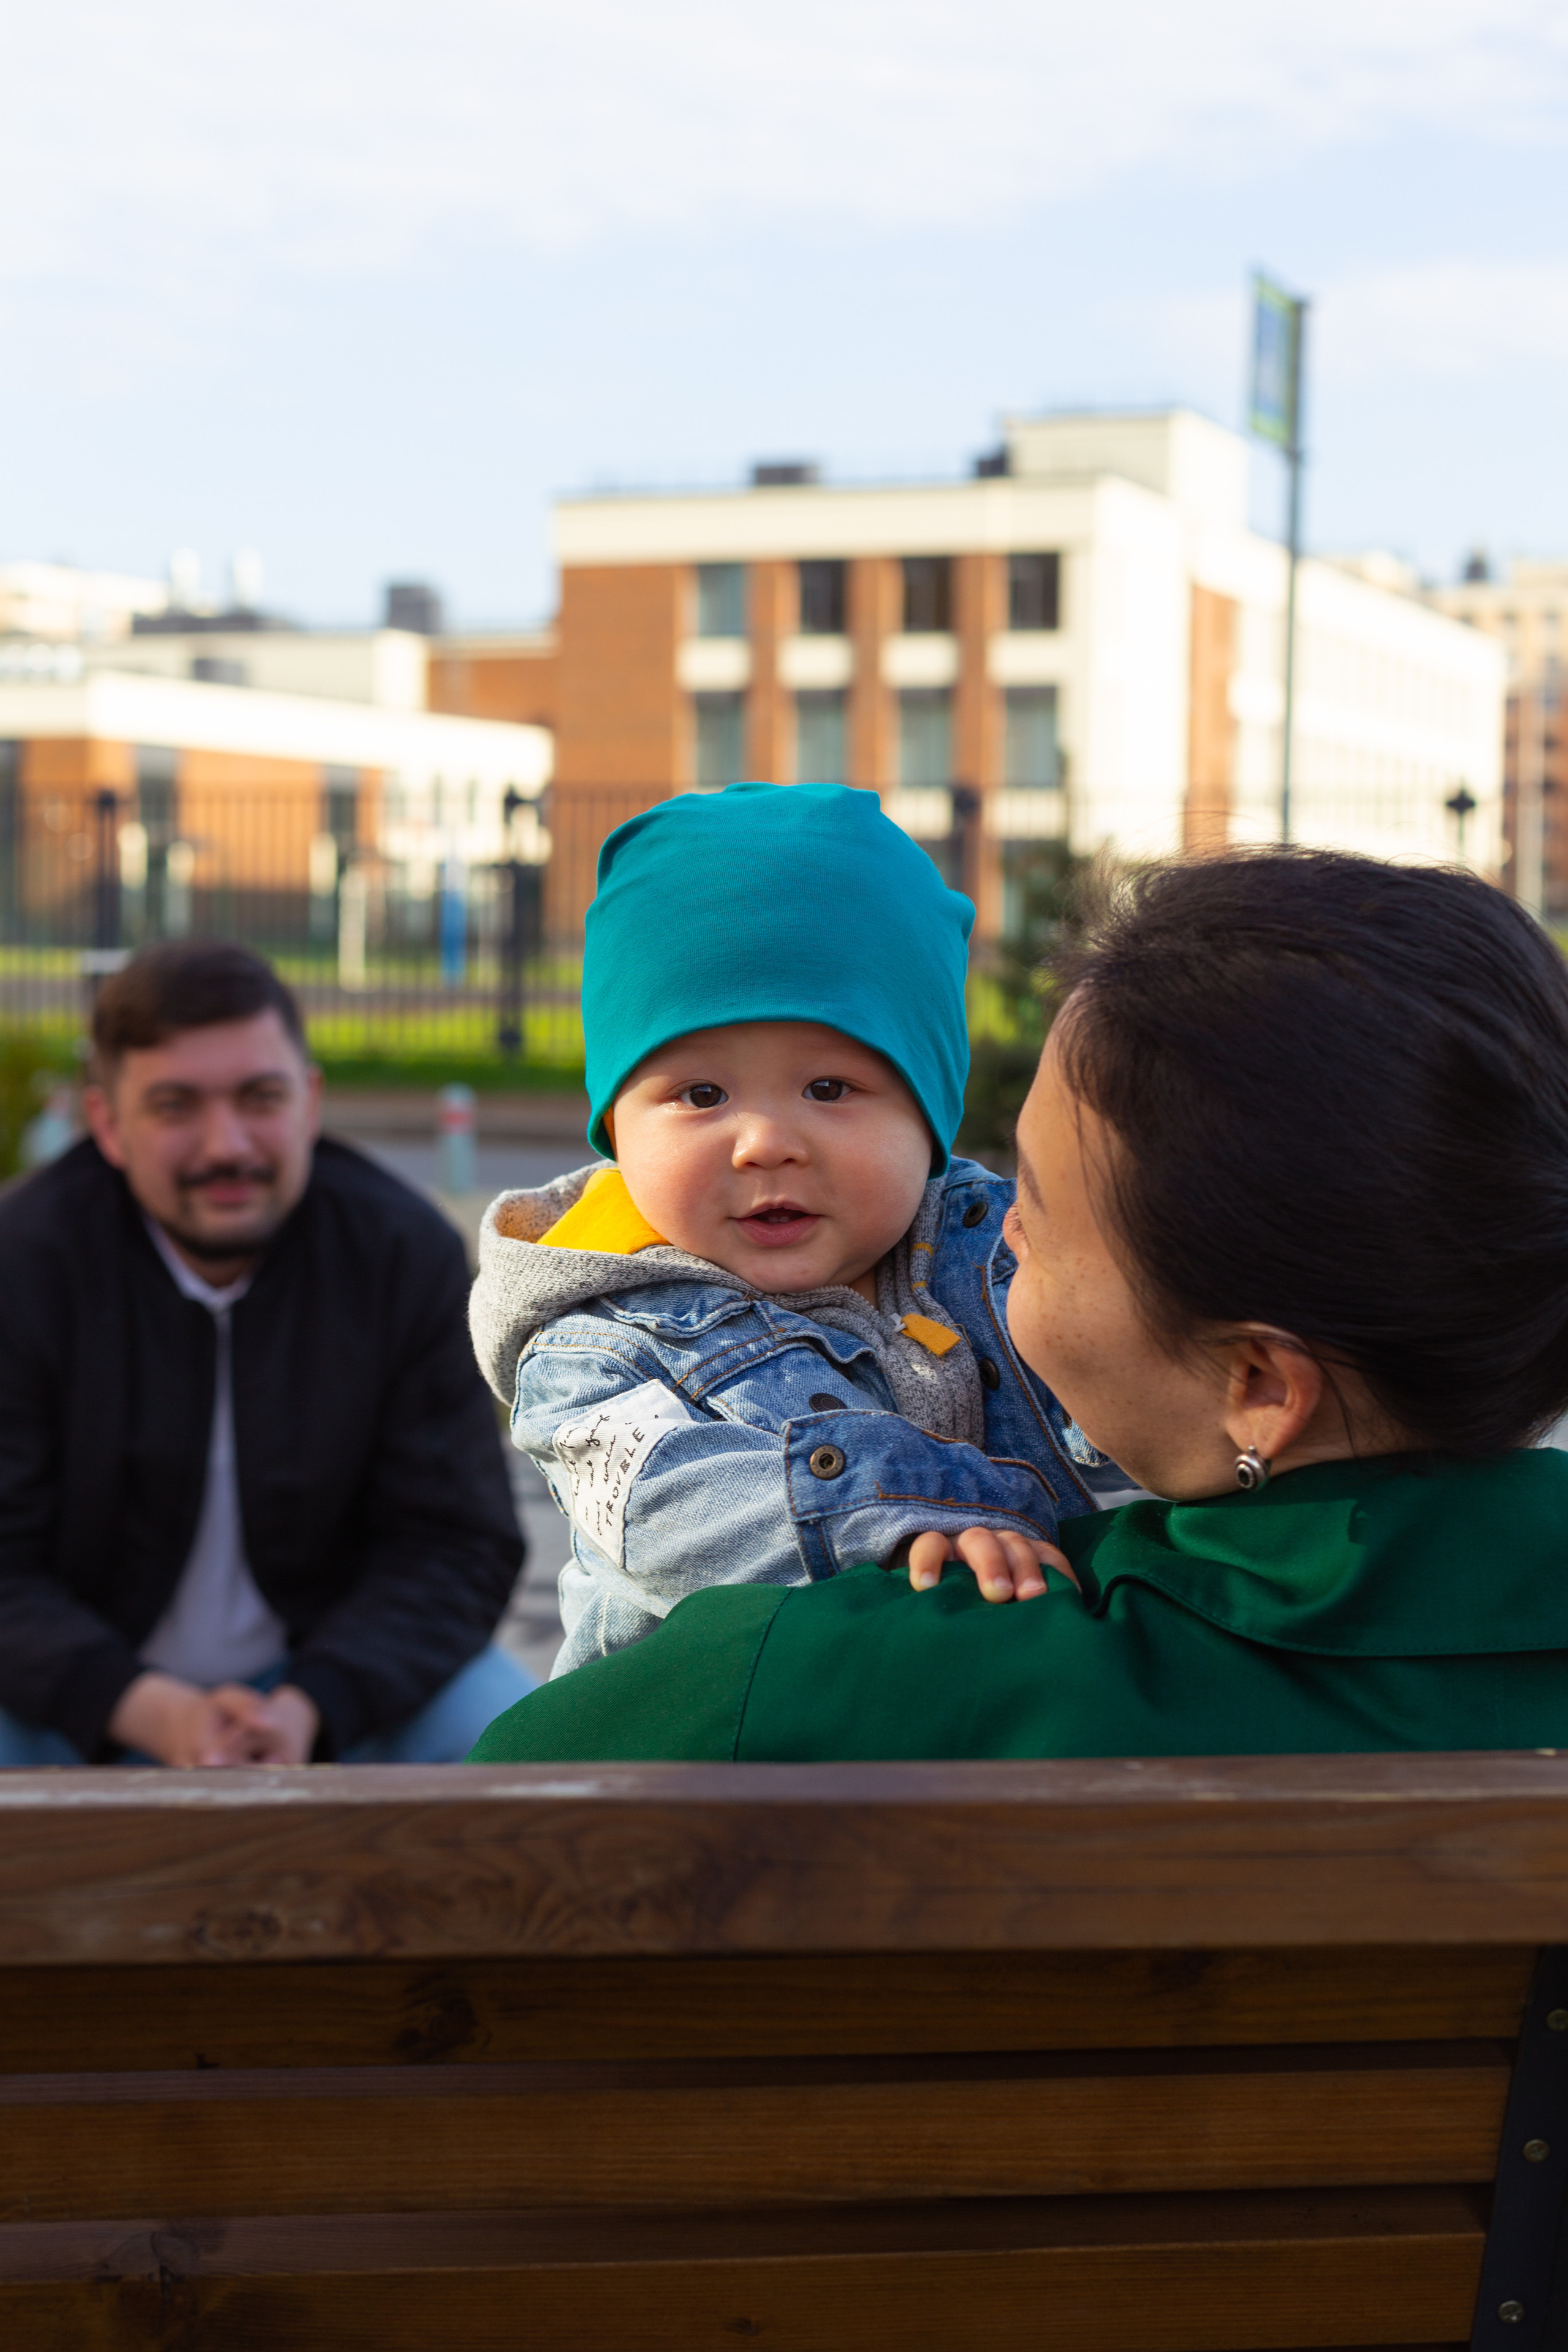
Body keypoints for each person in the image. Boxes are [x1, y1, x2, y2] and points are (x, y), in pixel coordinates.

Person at [472, 847, 1568, 1764]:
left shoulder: (843, 1670)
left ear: (1259, 1386)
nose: (991, 1232)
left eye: (1032, 1212)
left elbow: (500, 1807)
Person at [469, 782, 1129, 1679]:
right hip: (717, 1761)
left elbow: (1151, 1387)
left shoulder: (1002, 1246)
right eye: (701, 1095)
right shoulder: (596, 1338)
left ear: (926, 1114)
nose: (765, 1143)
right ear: (617, 1128)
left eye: (829, 1089)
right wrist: (923, 1511)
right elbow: (669, 1509)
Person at [0, 940, 532, 1768]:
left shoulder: (401, 1253)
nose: (228, 1147)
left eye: (260, 1098)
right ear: (106, 1121)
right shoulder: (22, 1262)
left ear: (310, 1102)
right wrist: (146, 1710)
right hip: (69, 1706)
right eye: (176, 1106)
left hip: (329, 1698)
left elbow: (456, 1544)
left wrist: (311, 1707)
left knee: (520, 1745)